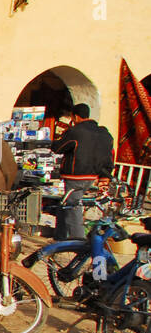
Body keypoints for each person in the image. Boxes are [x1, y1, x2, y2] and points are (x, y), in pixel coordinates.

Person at [52, 103, 114, 240]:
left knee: (72, 207)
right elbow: (109, 154)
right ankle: (59, 236)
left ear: (75, 116)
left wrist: (60, 136)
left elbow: (58, 148)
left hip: (76, 175)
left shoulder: (76, 132)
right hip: (94, 174)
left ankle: (78, 241)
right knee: (65, 203)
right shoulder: (104, 133)